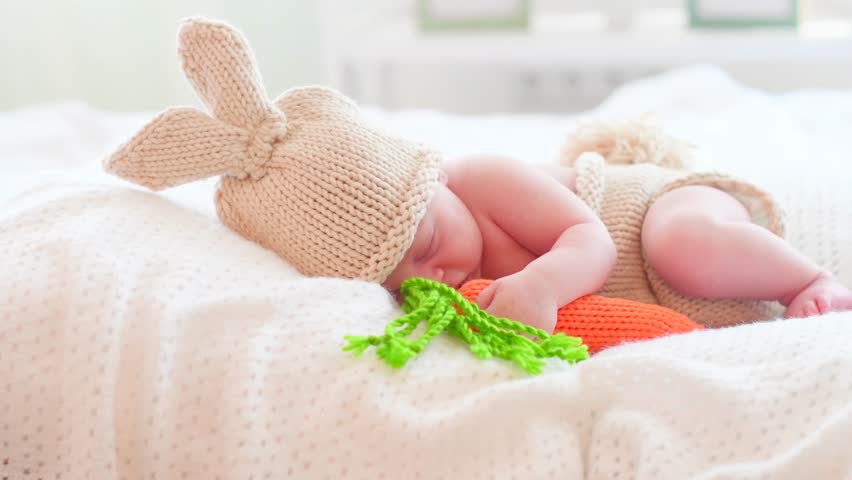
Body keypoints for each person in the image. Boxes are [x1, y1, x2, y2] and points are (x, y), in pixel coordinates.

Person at [105, 18, 852, 335]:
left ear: (430, 181)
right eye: (401, 277)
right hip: (655, 292)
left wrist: (540, 287)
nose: (436, 267)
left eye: (426, 235)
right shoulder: (436, 277)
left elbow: (586, 239)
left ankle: (803, 281)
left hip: (653, 214)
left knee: (686, 246)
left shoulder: (482, 178)